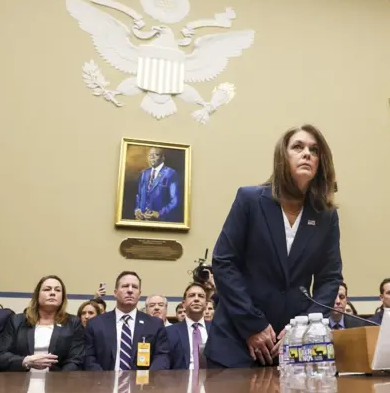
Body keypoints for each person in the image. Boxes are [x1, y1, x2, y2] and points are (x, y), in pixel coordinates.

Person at [205, 124, 343, 368]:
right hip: (236, 340)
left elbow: (330, 278)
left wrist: (302, 329)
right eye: (298, 147)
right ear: (283, 155)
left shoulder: (326, 216)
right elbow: (224, 262)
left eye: (314, 150)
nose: (307, 154)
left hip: (291, 346)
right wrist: (253, 325)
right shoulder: (250, 200)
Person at [0, 275, 84, 372]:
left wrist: (59, 381)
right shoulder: (17, 321)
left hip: (58, 383)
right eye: (47, 289)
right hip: (19, 382)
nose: (52, 293)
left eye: (57, 290)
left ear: (63, 297)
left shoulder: (73, 323)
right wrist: (25, 361)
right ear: (37, 295)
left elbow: (75, 360)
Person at [84, 271, 169, 371]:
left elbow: (162, 357)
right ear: (115, 293)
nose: (130, 290)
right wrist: (104, 381)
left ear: (139, 294)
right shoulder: (96, 324)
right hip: (104, 383)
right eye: (125, 286)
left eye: (134, 287)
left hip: (144, 383)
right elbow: (88, 358)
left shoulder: (154, 324)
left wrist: (147, 380)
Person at [163, 283, 212, 370]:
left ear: (206, 303)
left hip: (212, 380)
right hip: (180, 381)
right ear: (184, 304)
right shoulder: (169, 332)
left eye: (201, 296)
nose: (196, 299)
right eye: (192, 295)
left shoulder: (216, 329)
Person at [134, 147, 181, 222]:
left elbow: (175, 201)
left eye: (156, 155)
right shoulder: (145, 173)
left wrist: (159, 214)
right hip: (142, 220)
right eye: (150, 155)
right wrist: (137, 210)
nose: (152, 157)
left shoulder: (171, 173)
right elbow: (139, 195)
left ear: (163, 158)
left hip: (160, 221)